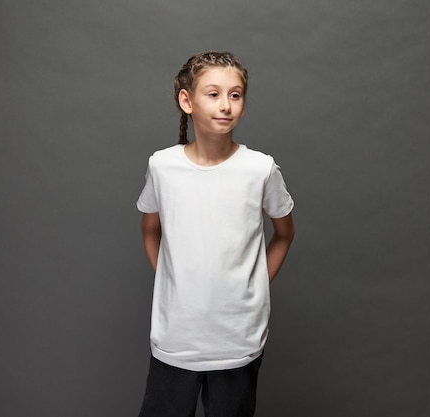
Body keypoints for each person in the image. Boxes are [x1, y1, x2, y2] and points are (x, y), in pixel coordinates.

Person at [136, 51, 295, 417]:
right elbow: (149, 229)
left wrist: (256, 284)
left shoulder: (260, 169)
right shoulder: (162, 166)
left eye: (235, 95)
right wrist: (171, 282)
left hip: (238, 338)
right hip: (176, 337)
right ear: (186, 100)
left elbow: (284, 234)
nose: (225, 105)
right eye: (213, 94)